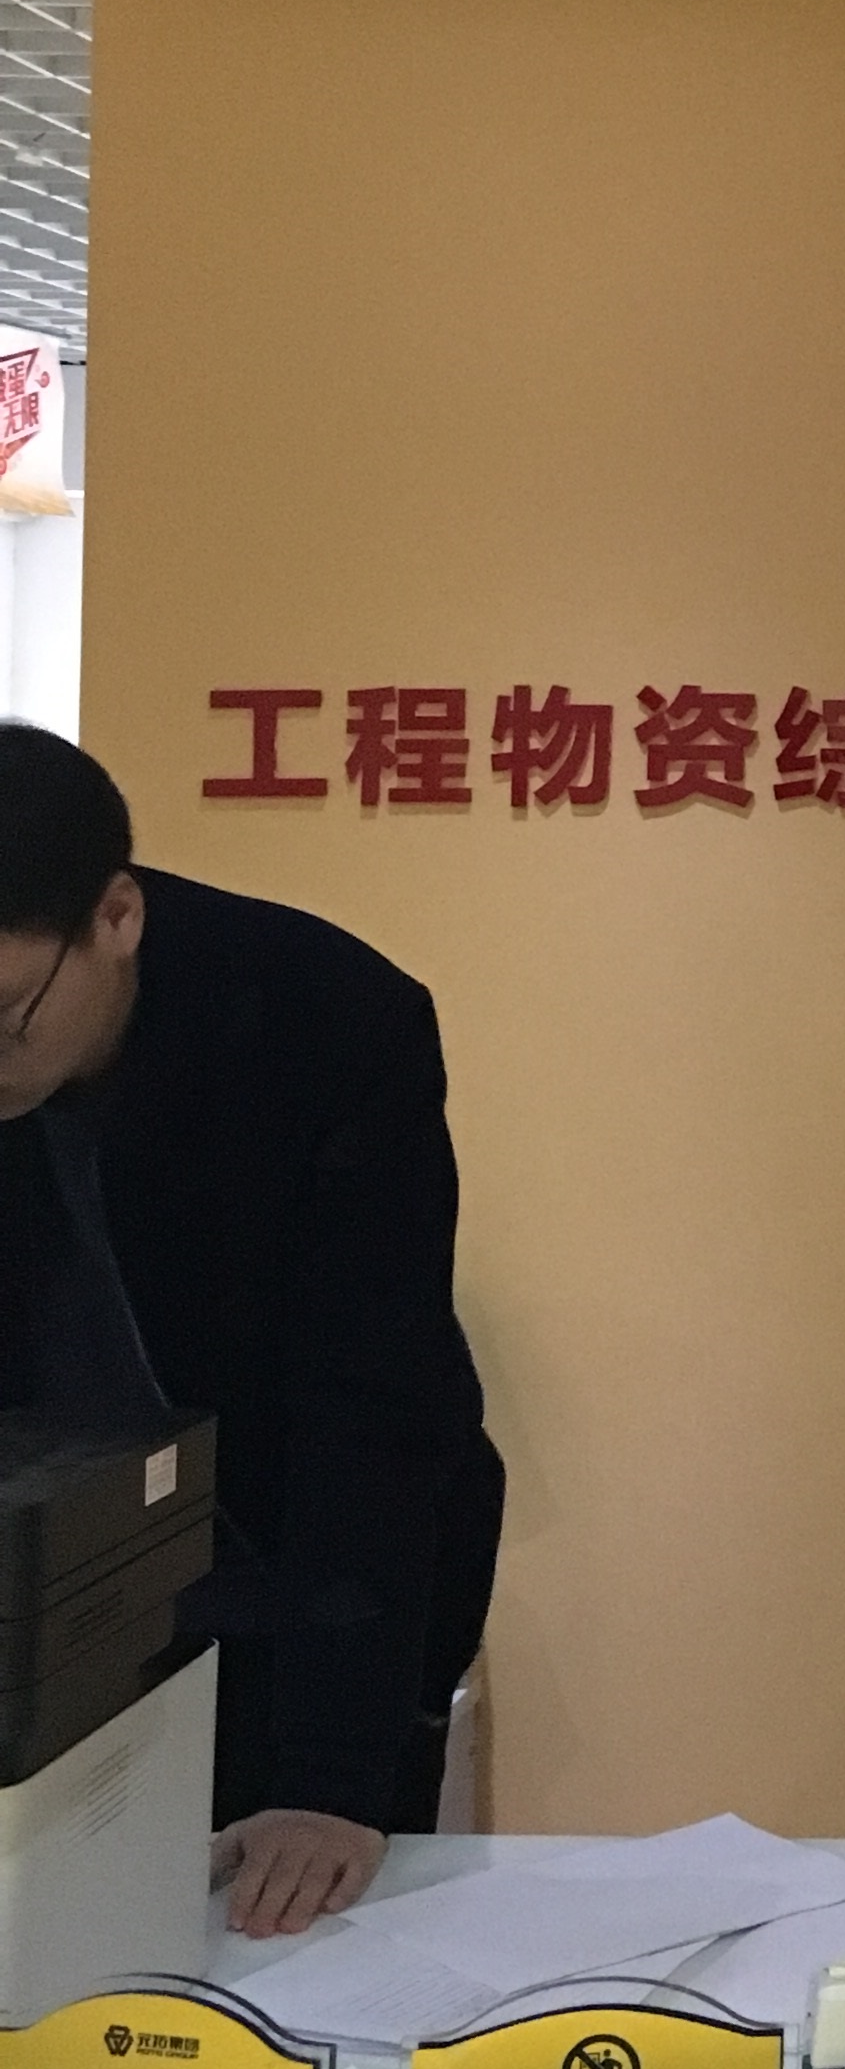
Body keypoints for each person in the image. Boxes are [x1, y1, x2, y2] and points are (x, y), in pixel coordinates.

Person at [0, 723, 504, 1938]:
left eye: (7, 1019)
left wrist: (332, 1779)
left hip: (302, 1580)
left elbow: (370, 1406)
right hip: (60, 1586)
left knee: (287, 1952)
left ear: (117, 915)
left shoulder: (326, 1018)